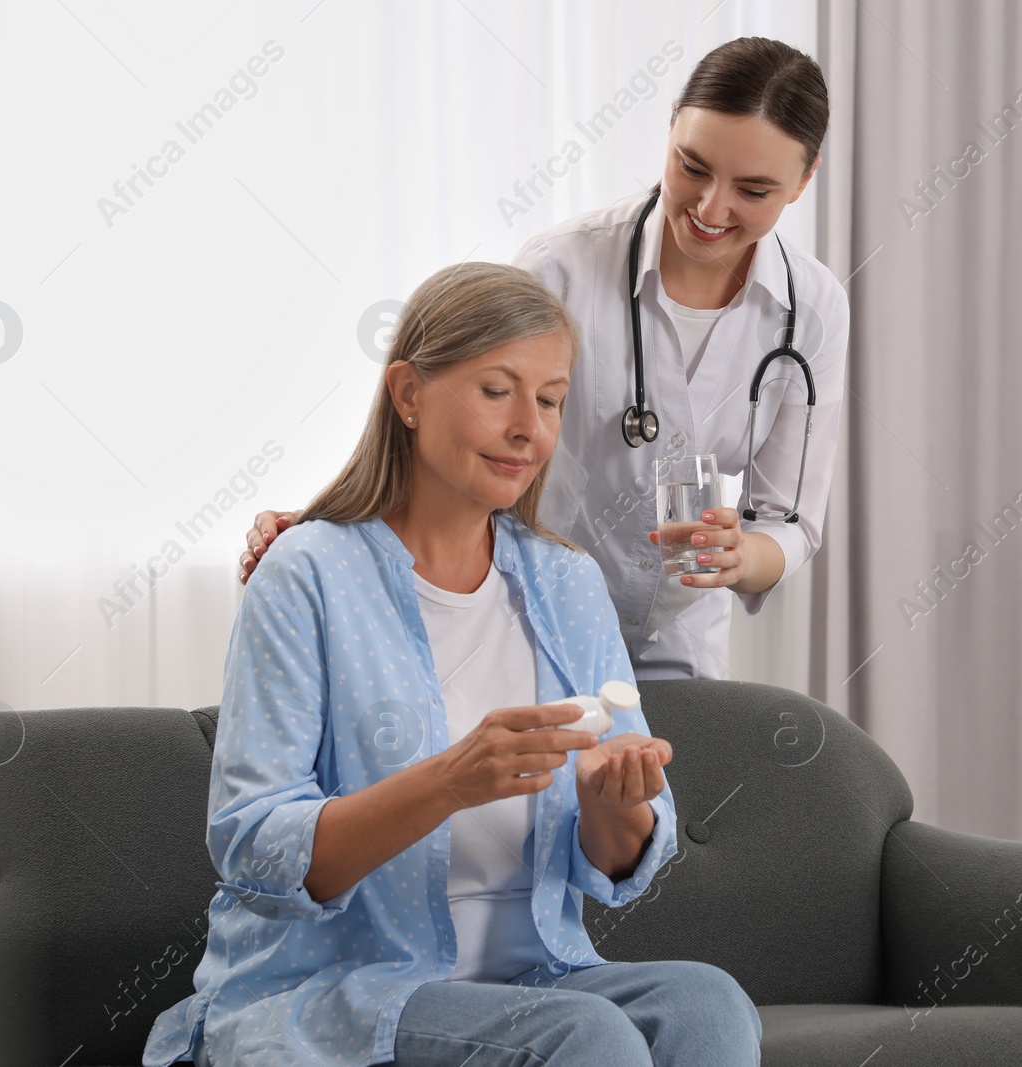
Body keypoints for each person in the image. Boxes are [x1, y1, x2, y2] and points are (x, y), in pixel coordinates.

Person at [143, 262, 761, 1067]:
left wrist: (619, 804)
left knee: (708, 1002)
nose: (529, 429)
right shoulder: (308, 574)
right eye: (497, 390)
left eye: (549, 399)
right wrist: (449, 780)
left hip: (533, 977)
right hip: (338, 992)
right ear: (408, 394)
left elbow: (619, 858)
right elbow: (253, 843)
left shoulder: (566, 583)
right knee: (586, 1033)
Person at [239, 37, 848, 681]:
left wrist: (739, 556)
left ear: (804, 180)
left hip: (679, 641)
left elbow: (791, 522)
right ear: (670, 124)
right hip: (526, 617)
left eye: (753, 190)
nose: (709, 209)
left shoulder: (811, 309)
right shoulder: (562, 266)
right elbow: (455, 422)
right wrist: (331, 522)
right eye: (691, 167)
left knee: (653, 779)